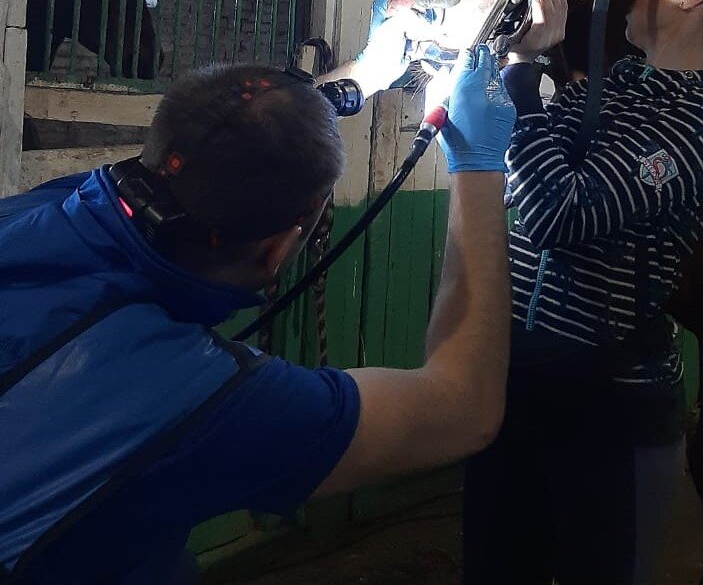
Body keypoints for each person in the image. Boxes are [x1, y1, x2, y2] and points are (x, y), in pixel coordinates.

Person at [0, 49, 515, 584]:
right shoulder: (191, 396)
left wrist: (365, 70)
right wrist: (478, 166)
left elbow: (222, 148)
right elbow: (463, 411)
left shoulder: (41, 211)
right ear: (276, 251)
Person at [343, 0, 703, 584]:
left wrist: (521, 76)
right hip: (514, 389)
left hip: (609, 414)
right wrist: (487, 45)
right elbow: (533, 140)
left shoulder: (699, 128)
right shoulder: (618, 86)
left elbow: (556, 211)